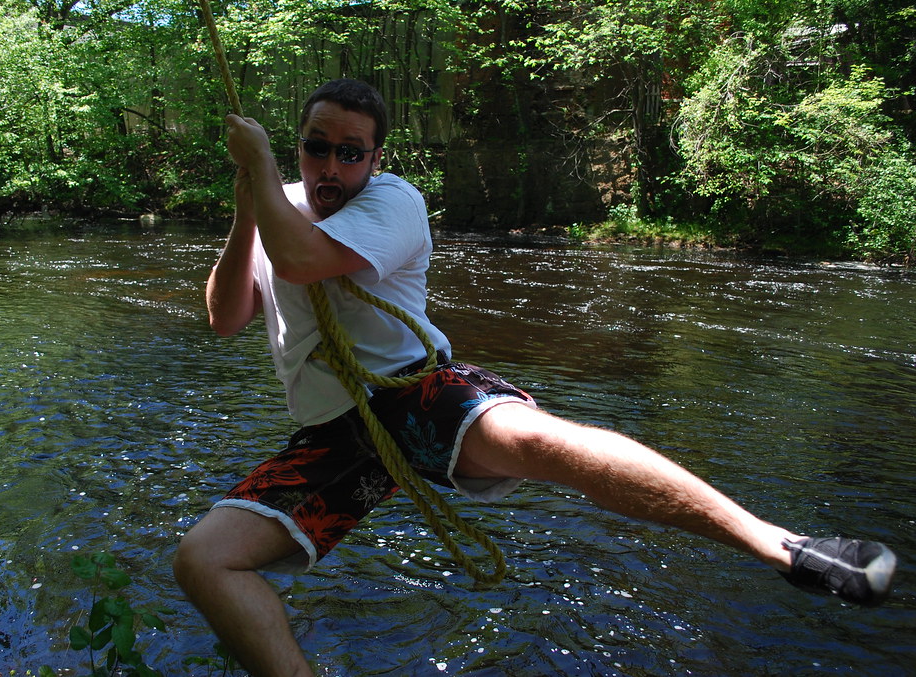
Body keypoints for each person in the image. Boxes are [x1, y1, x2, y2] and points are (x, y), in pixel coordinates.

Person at [173, 79, 897, 676]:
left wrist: (264, 172)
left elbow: (302, 260)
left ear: (375, 157)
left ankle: (782, 545)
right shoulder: (279, 208)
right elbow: (225, 316)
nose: (330, 167)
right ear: (300, 145)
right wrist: (248, 210)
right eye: (316, 147)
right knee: (204, 560)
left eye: (349, 152)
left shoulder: (392, 201)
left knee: (544, 443)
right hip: (336, 430)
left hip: (413, 387)